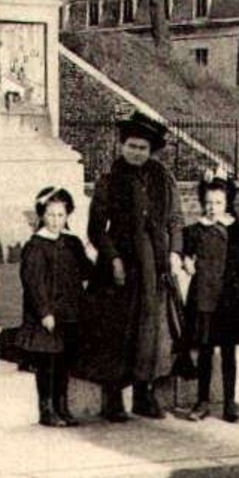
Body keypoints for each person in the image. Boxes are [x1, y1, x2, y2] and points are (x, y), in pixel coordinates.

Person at [78, 111, 184, 422]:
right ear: (122, 146)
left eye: (142, 148)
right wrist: (113, 258)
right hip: (120, 267)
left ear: (151, 151)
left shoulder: (164, 180)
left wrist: (176, 252)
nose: (136, 152)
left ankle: (143, 393)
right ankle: (113, 397)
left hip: (156, 266)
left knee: (151, 332)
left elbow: (176, 220)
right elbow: (96, 228)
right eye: (131, 146)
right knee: (117, 331)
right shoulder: (109, 181)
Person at [181, 174, 239, 423]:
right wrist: (186, 260)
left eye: (218, 202)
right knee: (205, 351)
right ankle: (202, 402)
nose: (212, 208)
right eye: (208, 202)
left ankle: (229, 403)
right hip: (203, 300)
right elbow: (184, 252)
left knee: (228, 353)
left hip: (230, 303)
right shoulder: (195, 230)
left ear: (227, 202)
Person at [13, 186, 94, 427]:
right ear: (41, 215)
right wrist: (44, 312)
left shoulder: (71, 242)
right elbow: (33, 283)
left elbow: (85, 271)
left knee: (64, 363)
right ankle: (47, 409)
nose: (56, 221)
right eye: (50, 215)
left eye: (61, 215)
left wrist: (92, 255)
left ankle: (62, 406)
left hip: (69, 313)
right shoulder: (36, 246)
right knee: (47, 363)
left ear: (68, 215)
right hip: (47, 317)